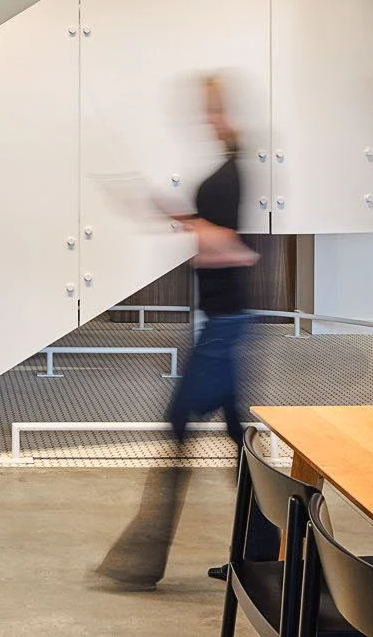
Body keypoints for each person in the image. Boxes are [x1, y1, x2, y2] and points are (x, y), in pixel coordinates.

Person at [98, 74, 260, 591]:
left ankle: (139, 560)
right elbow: (220, 236)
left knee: (180, 424)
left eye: (211, 109)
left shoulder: (229, 174)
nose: (205, 118)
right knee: (238, 440)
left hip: (224, 326)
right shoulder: (228, 170)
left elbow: (228, 246)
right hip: (224, 322)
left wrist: (191, 225)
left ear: (224, 115)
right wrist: (181, 217)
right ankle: (265, 557)